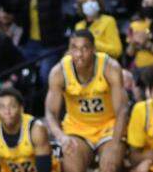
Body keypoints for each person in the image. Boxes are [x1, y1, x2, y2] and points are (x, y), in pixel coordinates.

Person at [45, 30, 128, 172]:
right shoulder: (59, 72)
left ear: (93, 50)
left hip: (108, 127)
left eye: (84, 48)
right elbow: (51, 112)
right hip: (77, 128)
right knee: (71, 167)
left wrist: (115, 144)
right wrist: (61, 137)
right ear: (69, 50)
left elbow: (122, 110)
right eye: (74, 48)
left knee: (110, 166)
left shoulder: (110, 67)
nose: (79, 54)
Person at [0, 87, 51, 172]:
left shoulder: (36, 129)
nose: (7, 112)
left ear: (21, 109)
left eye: (12, 106)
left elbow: (44, 169)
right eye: (2, 107)